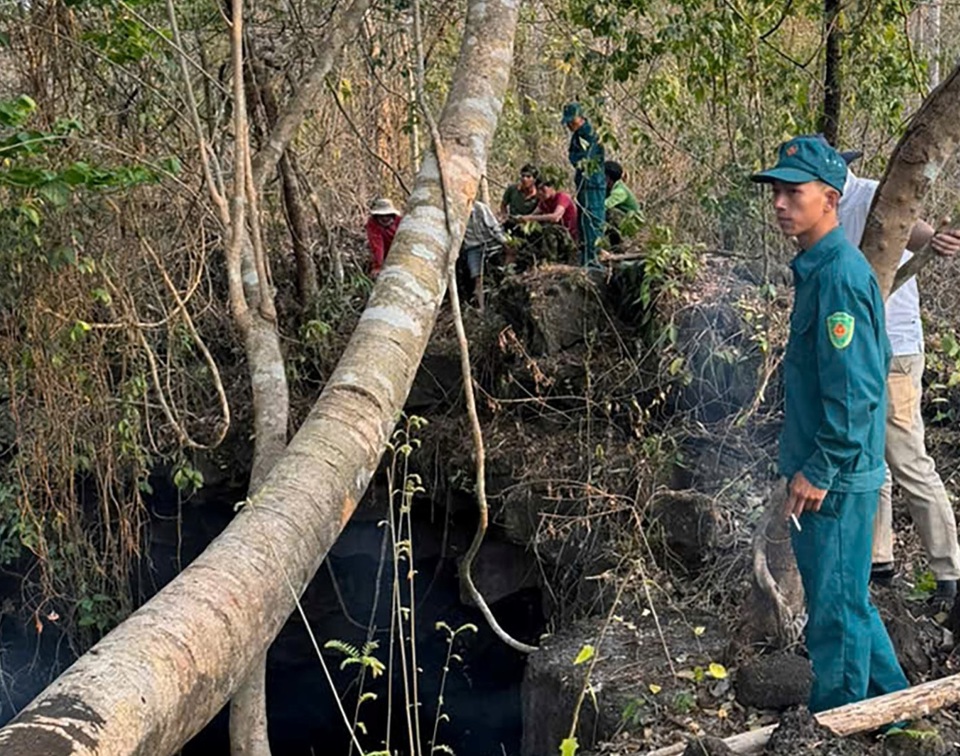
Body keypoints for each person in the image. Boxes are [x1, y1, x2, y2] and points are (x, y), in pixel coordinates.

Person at [751, 134, 908, 712]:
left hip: (835, 481)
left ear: (830, 198)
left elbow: (859, 390)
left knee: (835, 618)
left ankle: (835, 724)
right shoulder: (819, 269)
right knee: (851, 604)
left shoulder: (839, 276)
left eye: (794, 192)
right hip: (834, 470)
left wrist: (817, 469)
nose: (779, 203)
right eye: (776, 192)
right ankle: (896, 714)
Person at [835, 155, 960, 602]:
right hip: (855, 348)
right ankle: (878, 560)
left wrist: (940, 241)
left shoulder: (873, 194)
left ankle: (950, 574)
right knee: (871, 459)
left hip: (896, 352)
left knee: (907, 458)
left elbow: (921, 231)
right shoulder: (822, 206)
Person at [561, 102, 605, 267]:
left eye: (572, 121)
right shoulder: (578, 135)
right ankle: (587, 257)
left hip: (592, 183)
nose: (569, 125)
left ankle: (593, 258)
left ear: (580, 118)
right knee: (584, 220)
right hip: (584, 183)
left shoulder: (589, 134)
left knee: (593, 219)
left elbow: (586, 158)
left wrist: (578, 161)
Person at [511, 175, 579, 268]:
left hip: (568, 236)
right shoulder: (543, 202)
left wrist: (530, 218)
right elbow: (533, 214)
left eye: (543, 189)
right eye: (538, 190)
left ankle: (551, 261)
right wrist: (521, 219)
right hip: (557, 237)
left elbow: (555, 217)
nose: (540, 193)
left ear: (551, 188)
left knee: (550, 229)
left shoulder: (562, 197)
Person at [460, 200, 507, 312]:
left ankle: (501, 300)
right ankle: (481, 307)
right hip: (472, 247)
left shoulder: (480, 208)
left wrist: (504, 242)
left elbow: (494, 227)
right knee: (477, 277)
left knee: (499, 270)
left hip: (490, 242)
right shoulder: (455, 214)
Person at [603, 160, 641, 248]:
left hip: (632, 224)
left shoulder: (620, 191)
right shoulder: (609, 188)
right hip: (624, 220)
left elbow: (605, 206)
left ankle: (621, 243)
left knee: (609, 213)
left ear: (608, 177)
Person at [366, 197, 402, 279]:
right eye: (382, 216)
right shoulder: (373, 224)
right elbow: (377, 245)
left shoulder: (400, 221)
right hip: (385, 256)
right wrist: (378, 266)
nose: (385, 218)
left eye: (387, 215)